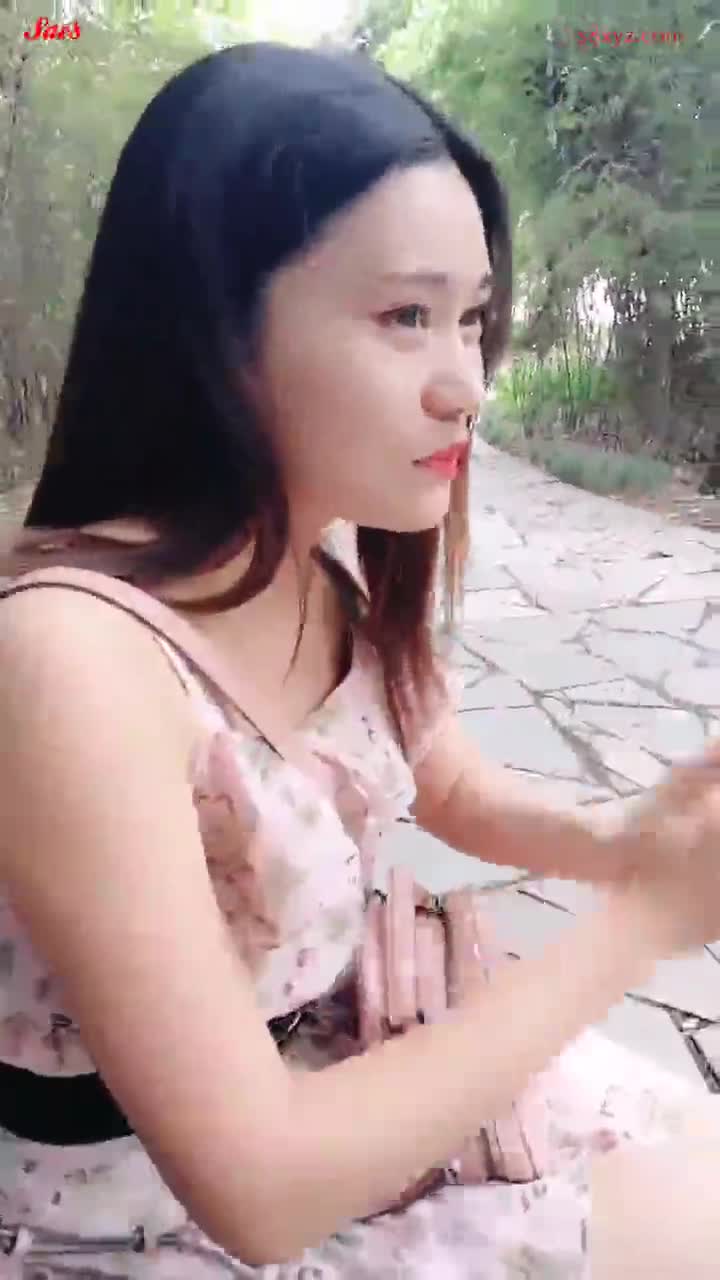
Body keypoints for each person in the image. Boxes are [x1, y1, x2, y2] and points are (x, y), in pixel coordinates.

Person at [0, 40, 719, 1278]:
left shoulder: (325, 574)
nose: (466, 385)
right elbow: (259, 1186)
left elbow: (453, 785)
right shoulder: (71, 663)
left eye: (472, 320)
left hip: (348, 1073)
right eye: (405, 316)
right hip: (146, 1213)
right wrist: (639, 923)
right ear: (214, 328)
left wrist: (620, 839)